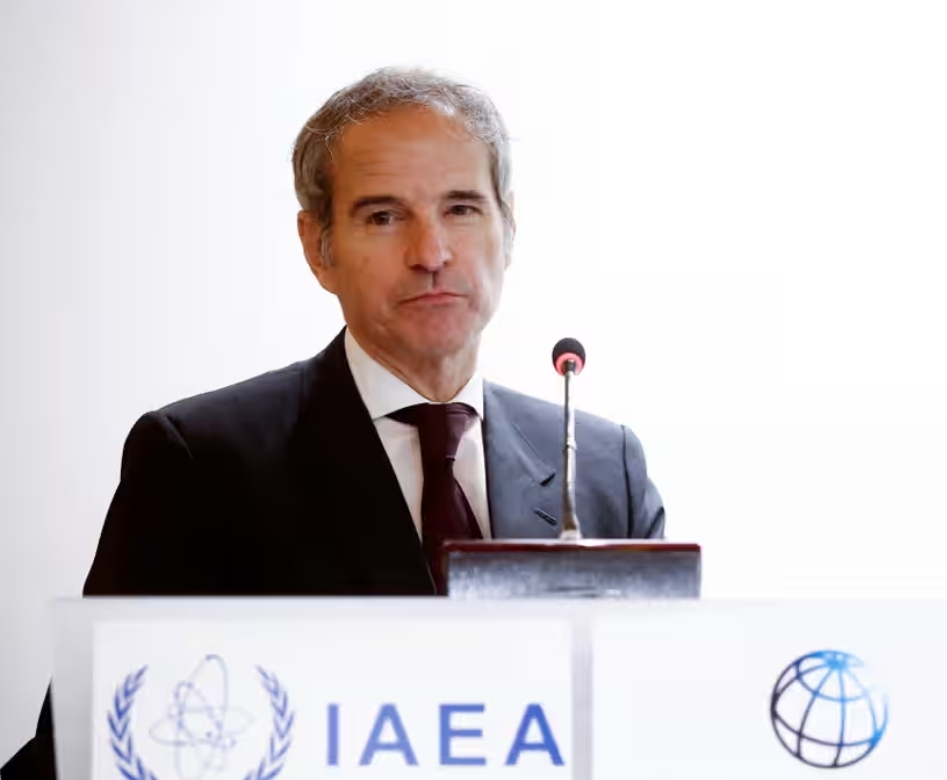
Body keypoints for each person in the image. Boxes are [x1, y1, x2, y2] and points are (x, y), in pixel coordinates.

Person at [1, 66, 664, 779]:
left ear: (509, 227)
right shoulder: (202, 463)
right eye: (384, 217)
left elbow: (660, 722)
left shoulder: (604, 467)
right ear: (319, 247)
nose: (431, 254)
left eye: (461, 208)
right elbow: (80, 754)